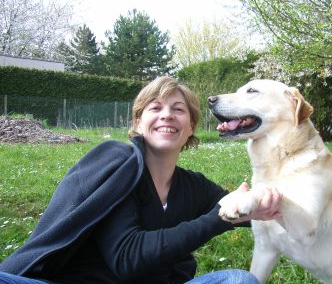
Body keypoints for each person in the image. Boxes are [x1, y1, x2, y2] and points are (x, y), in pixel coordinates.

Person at [0, 76, 282, 284]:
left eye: (178, 109)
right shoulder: (120, 165)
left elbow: (258, 211)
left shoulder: (194, 187)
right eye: (155, 108)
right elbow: (127, 259)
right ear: (138, 122)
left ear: (191, 127)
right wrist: (220, 218)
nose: (167, 115)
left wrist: (260, 199)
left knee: (238, 280)